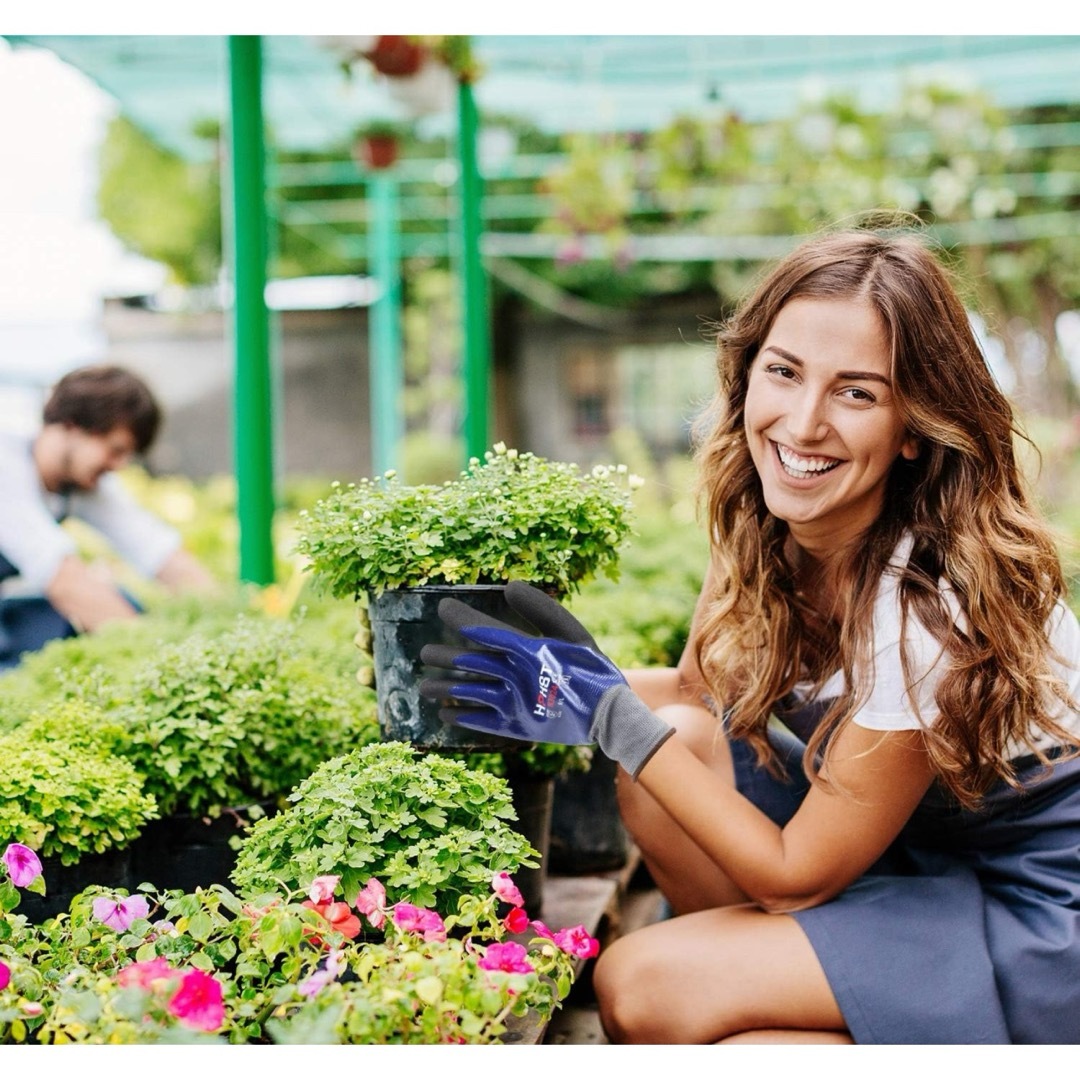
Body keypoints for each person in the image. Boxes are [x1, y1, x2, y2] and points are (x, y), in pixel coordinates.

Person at [418, 221, 1080, 1044]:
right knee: (679, 737)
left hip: (1035, 907)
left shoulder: (927, 604)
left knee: (641, 984)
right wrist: (555, 684)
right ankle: (754, 1000)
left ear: (914, 427)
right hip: (911, 855)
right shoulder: (769, 516)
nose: (802, 426)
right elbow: (698, 696)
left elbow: (795, 879)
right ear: (747, 374)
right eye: (785, 372)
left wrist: (603, 713)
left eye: (857, 392)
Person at [0, 364, 215, 669]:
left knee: (121, 604)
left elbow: (156, 549)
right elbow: (63, 579)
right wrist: (165, 663)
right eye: (115, 450)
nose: (119, 465)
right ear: (72, 425)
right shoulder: (5, 465)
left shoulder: (77, 483)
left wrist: (229, 615)